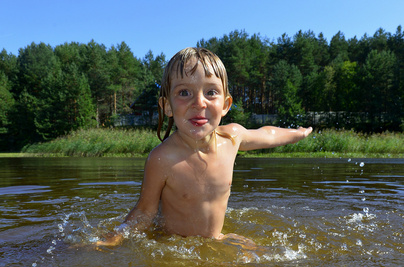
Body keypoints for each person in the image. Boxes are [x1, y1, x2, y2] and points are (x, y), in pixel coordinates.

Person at [97, 47, 312, 246]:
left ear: (226, 105)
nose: (199, 103)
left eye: (211, 92)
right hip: (174, 244)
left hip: (217, 239)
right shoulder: (162, 159)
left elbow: (267, 135)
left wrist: (298, 133)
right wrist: (114, 238)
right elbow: (144, 211)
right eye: (184, 93)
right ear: (167, 106)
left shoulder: (231, 139)